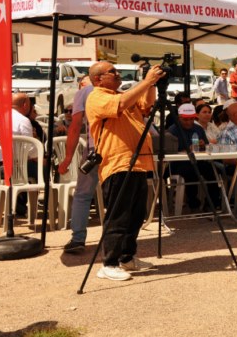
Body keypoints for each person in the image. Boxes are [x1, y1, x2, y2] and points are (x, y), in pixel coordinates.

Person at [85, 60, 164, 281]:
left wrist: (152, 83)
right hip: (118, 163)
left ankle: (127, 257)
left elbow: (146, 104)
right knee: (119, 216)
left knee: (136, 214)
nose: (118, 74)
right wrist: (146, 81)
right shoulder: (97, 97)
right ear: (99, 78)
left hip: (137, 162)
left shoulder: (121, 94)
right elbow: (120, 104)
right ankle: (109, 263)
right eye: (113, 72)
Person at [59, 76, 97, 253]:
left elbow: (75, 127)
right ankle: (120, 240)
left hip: (94, 150)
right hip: (117, 150)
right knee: (117, 195)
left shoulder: (84, 93)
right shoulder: (118, 91)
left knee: (82, 194)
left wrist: (67, 158)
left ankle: (78, 239)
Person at [167, 103, 222, 212]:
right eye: (186, 120)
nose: (189, 122)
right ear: (179, 118)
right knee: (191, 172)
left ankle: (212, 202)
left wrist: (202, 145)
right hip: (178, 164)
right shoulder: (173, 130)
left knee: (212, 170)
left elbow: (206, 147)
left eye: (191, 119)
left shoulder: (198, 129)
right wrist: (187, 150)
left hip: (197, 161)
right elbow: (171, 152)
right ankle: (193, 203)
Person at [0, 92, 37, 217]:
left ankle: (20, 206)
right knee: (44, 169)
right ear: (25, 104)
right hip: (12, 168)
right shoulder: (23, 120)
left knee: (28, 165)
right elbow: (31, 150)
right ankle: (49, 207)